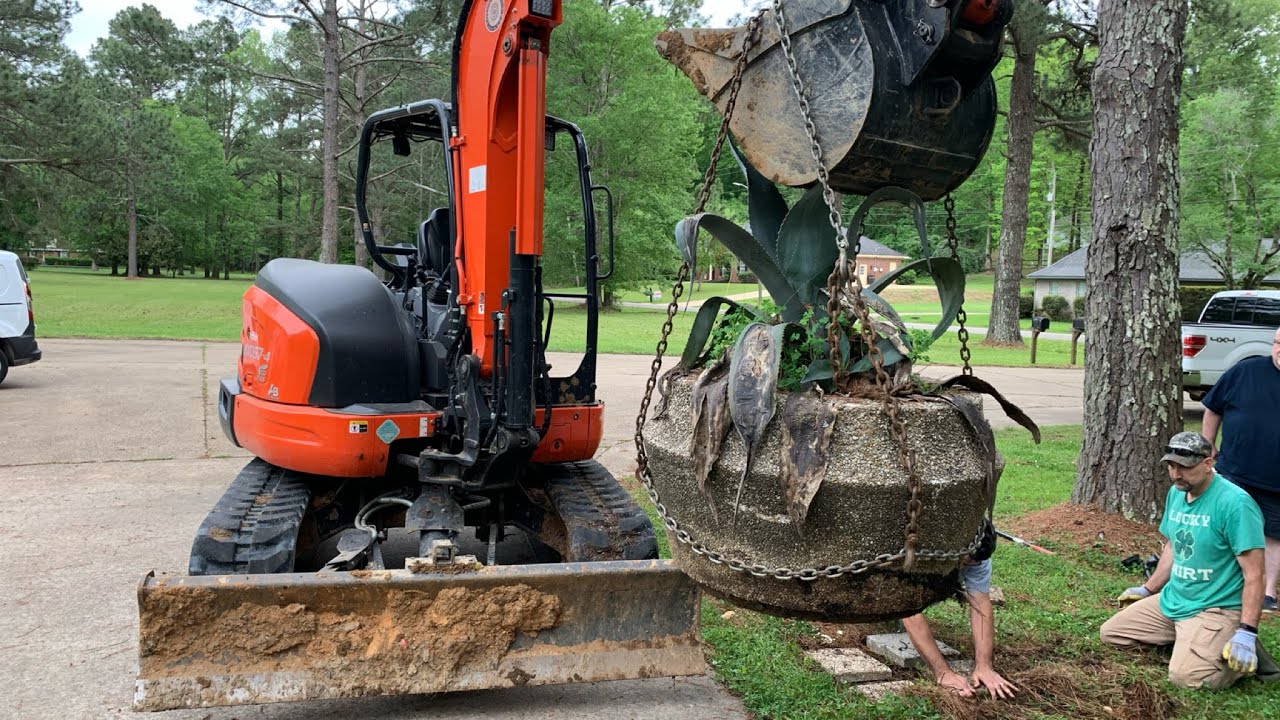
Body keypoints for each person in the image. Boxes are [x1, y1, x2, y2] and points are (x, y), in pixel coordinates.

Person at [1100, 432, 1273, 689]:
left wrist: (1247, 631)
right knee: (1112, 633)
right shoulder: (1177, 493)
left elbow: (1255, 574)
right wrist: (1149, 589)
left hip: (1216, 607)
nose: (1176, 474)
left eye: (1185, 467)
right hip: (1175, 599)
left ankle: (1238, 649)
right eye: (1171, 466)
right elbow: (1173, 545)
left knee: (1187, 678)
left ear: (1208, 463)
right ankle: (1193, 641)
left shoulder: (1236, 505)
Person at [1200, 327, 1280, 612]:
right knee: (1219, 528)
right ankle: (1211, 581)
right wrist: (1207, 445)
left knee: (1272, 535)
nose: (1279, 350)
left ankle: (1268, 595)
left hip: (1276, 481)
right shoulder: (1245, 372)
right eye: (1277, 343)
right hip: (1234, 470)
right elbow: (1213, 408)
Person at [902, 523, 1017, 699]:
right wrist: (942, 672)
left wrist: (984, 665)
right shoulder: (925, 551)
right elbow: (910, 611)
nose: (971, 565)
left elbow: (981, 605)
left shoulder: (979, 556)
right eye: (966, 561)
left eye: (975, 562)